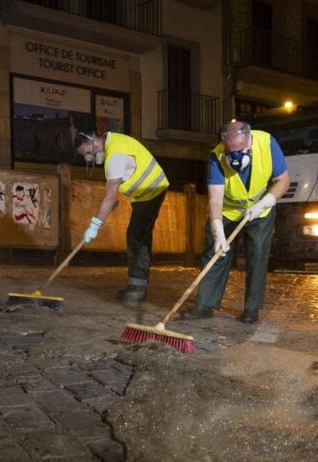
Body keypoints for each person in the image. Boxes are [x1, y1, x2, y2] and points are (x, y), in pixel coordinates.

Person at [180, 120, 290, 323]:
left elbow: (283, 181)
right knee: (215, 252)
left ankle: (251, 309)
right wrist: (217, 230)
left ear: (249, 140)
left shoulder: (267, 143)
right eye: (231, 152)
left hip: (260, 210)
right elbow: (214, 199)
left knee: (257, 255)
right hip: (228, 211)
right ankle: (205, 304)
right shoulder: (217, 156)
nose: (236, 157)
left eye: (241, 150)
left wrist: (264, 204)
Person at [73, 130, 168, 304]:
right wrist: (113, 200)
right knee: (138, 235)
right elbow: (125, 177)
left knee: (136, 236)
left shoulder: (114, 157)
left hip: (152, 190)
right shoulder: (114, 140)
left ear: (94, 141)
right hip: (147, 191)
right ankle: (137, 285)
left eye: (88, 153)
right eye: (85, 156)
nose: (90, 158)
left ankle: (138, 288)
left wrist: (94, 226)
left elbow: (109, 196)